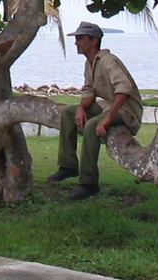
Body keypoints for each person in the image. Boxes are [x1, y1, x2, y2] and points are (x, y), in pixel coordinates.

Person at [47, 21, 143, 200]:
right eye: (76, 39)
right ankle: (68, 166)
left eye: (81, 39)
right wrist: (81, 108)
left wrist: (107, 119)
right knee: (69, 112)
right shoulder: (90, 63)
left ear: (94, 41)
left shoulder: (108, 61)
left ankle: (88, 183)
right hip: (107, 104)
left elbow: (124, 89)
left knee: (92, 125)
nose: (76, 43)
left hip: (126, 110)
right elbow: (88, 91)